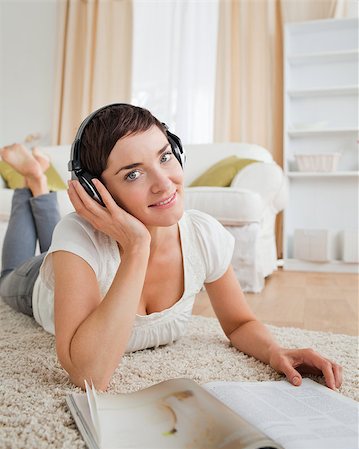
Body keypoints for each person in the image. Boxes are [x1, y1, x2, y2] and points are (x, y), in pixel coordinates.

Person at [0, 104, 342, 392]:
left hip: (79, 257)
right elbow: (91, 375)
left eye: (165, 157)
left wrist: (275, 350)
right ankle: (33, 182)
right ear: (96, 192)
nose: (164, 183)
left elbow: (238, 324)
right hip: (35, 284)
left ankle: (36, 180)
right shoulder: (77, 235)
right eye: (133, 174)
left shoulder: (203, 235)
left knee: (63, 239)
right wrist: (137, 247)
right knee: (7, 276)